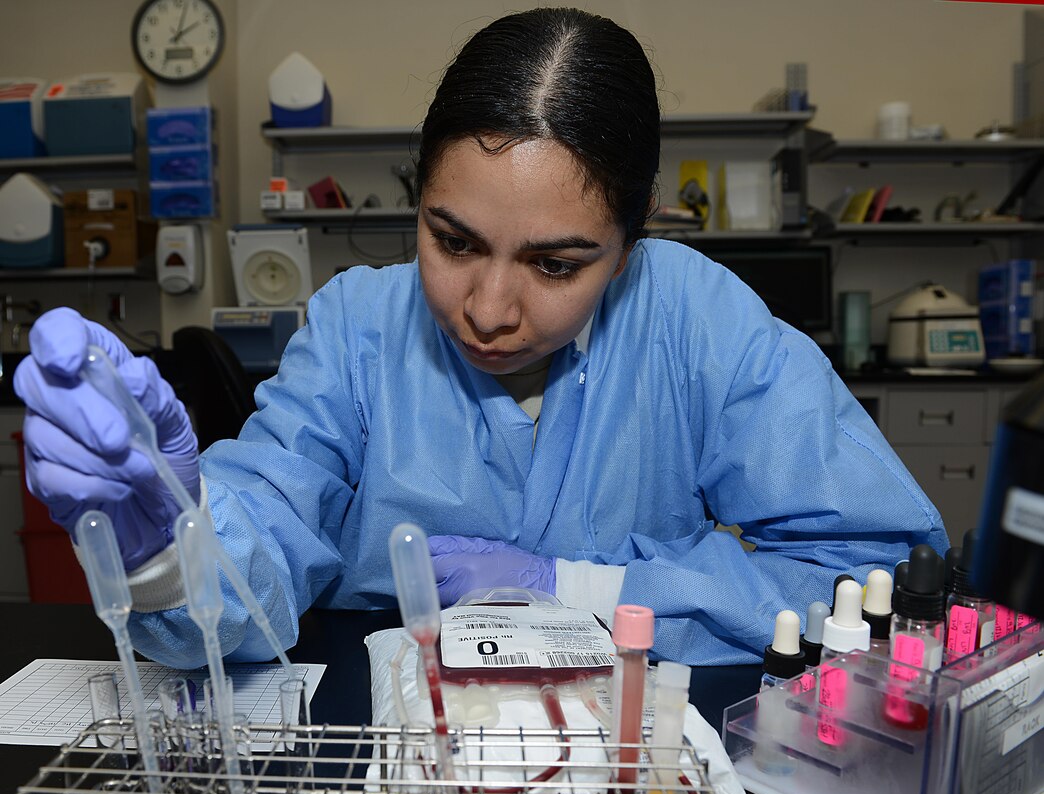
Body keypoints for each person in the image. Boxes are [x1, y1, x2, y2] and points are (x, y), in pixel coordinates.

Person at [14, 7, 946, 670]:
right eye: (452, 241)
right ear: (415, 201)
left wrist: (577, 589)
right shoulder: (357, 328)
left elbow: (880, 581)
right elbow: (263, 553)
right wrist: (169, 548)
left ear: (631, 247)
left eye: (556, 264)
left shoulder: (698, 324)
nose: (489, 310)